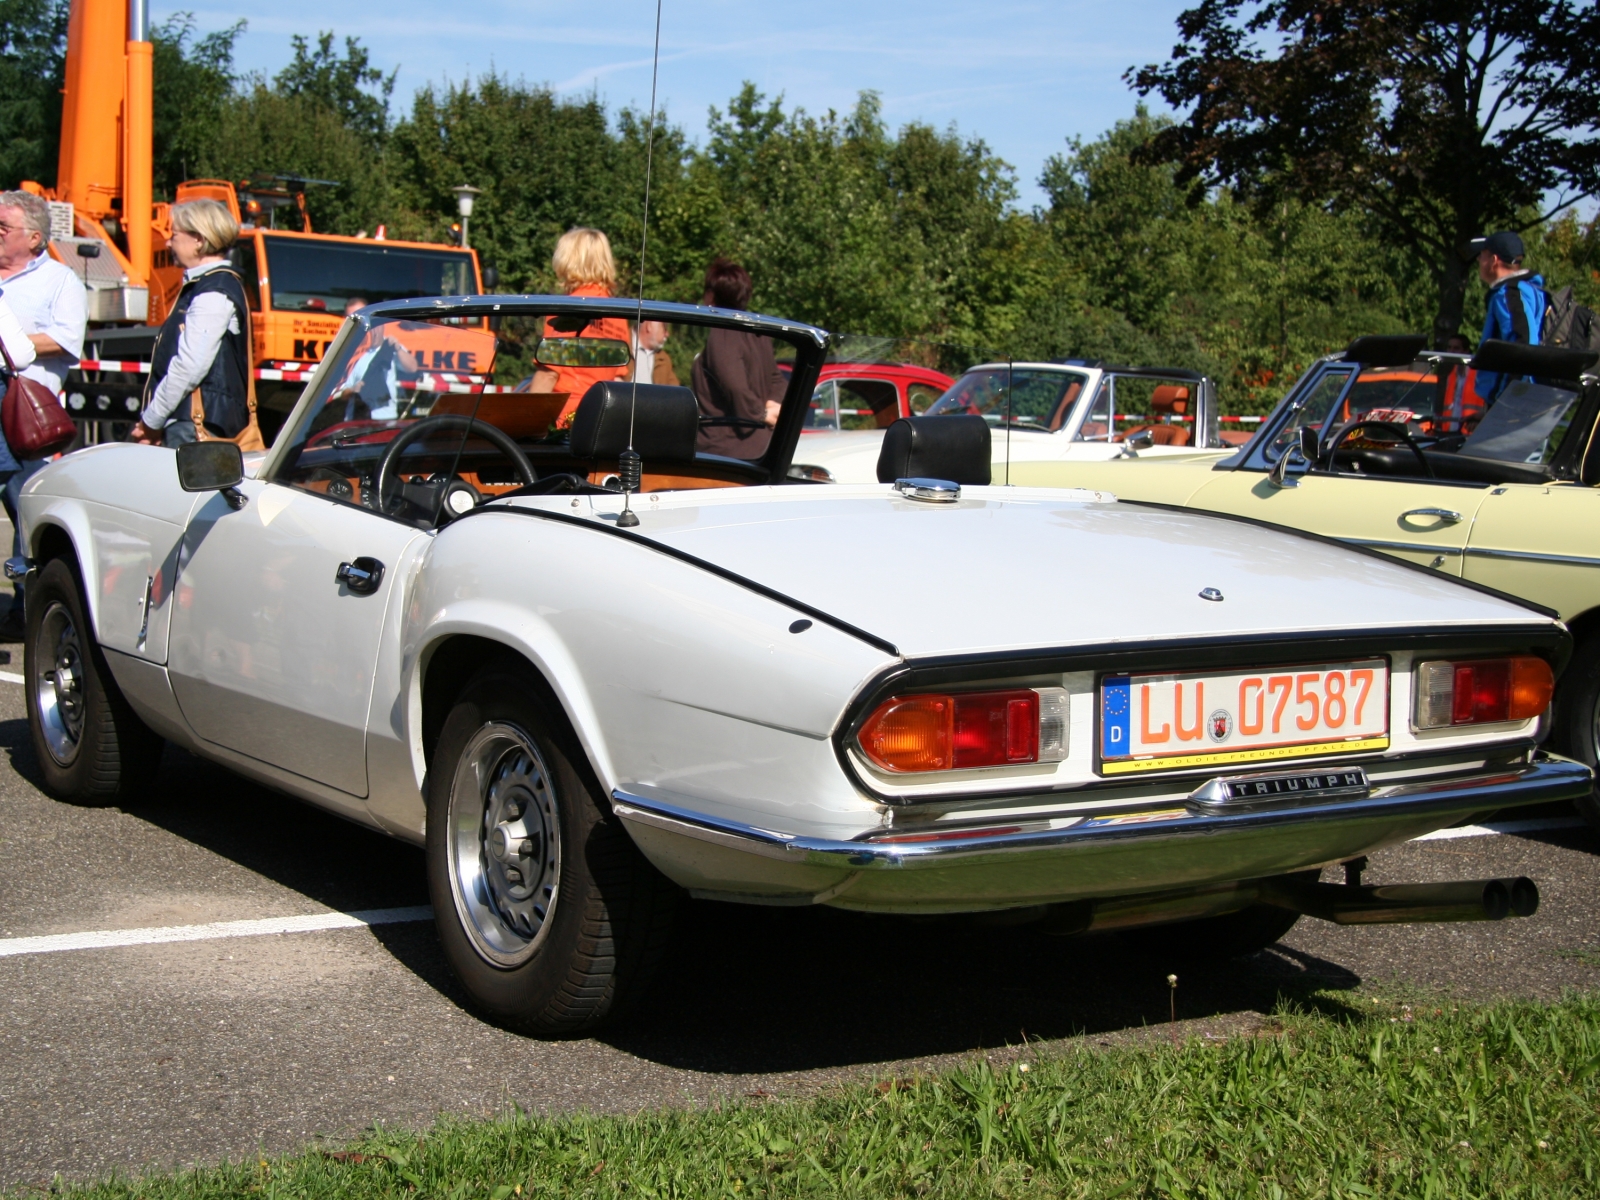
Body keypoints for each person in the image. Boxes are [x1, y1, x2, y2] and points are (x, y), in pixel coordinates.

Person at [0, 190, 87, 640]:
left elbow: (67, 339)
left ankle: (27, 611)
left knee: (28, 513)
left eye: (2, 228)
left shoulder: (60, 281)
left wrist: (12, 341)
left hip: (21, 414)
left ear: (34, 238)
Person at [130, 199, 259, 449]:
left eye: (174, 235)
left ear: (199, 240)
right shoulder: (212, 286)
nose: (168, 242)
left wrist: (152, 420)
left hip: (195, 427)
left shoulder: (213, 291)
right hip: (196, 423)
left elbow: (189, 366)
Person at [530, 228, 631, 424]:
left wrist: (522, 420)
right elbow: (618, 379)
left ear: (569, 260)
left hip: (565, 420)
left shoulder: (567, 308)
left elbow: (549, 374)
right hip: (601, 421)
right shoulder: (618, 313)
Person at [691, 259, 785, 458]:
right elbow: (777, 380)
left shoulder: (723, 333)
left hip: (725, 451)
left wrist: (760, 414)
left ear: (711, 295)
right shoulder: (758, 333)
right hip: (759, 447)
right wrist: (771, 406)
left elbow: (734, 384)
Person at [1472, 230, 1545, 403]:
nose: (1478, 260)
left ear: (1494, 260)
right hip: (1527, 394)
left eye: (1482, 255)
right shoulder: (1532, 290)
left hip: (1513, 399)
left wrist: (1507, 399)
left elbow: (1523, 344)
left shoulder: (1508, 294)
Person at [1437, 334, 1483, 434]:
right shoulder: (1451, 374)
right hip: (1450, 428)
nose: (1451, 351)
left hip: (1471, 428)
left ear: (1466, 351)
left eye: (1456, 348)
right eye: (1449, 347)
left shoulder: (1478, 374)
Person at [632, 319, 679, 386]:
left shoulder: (664, 359)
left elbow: (675, 391)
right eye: (665, 328)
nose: (667, 334)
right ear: (649, 326)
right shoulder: (621, 345)